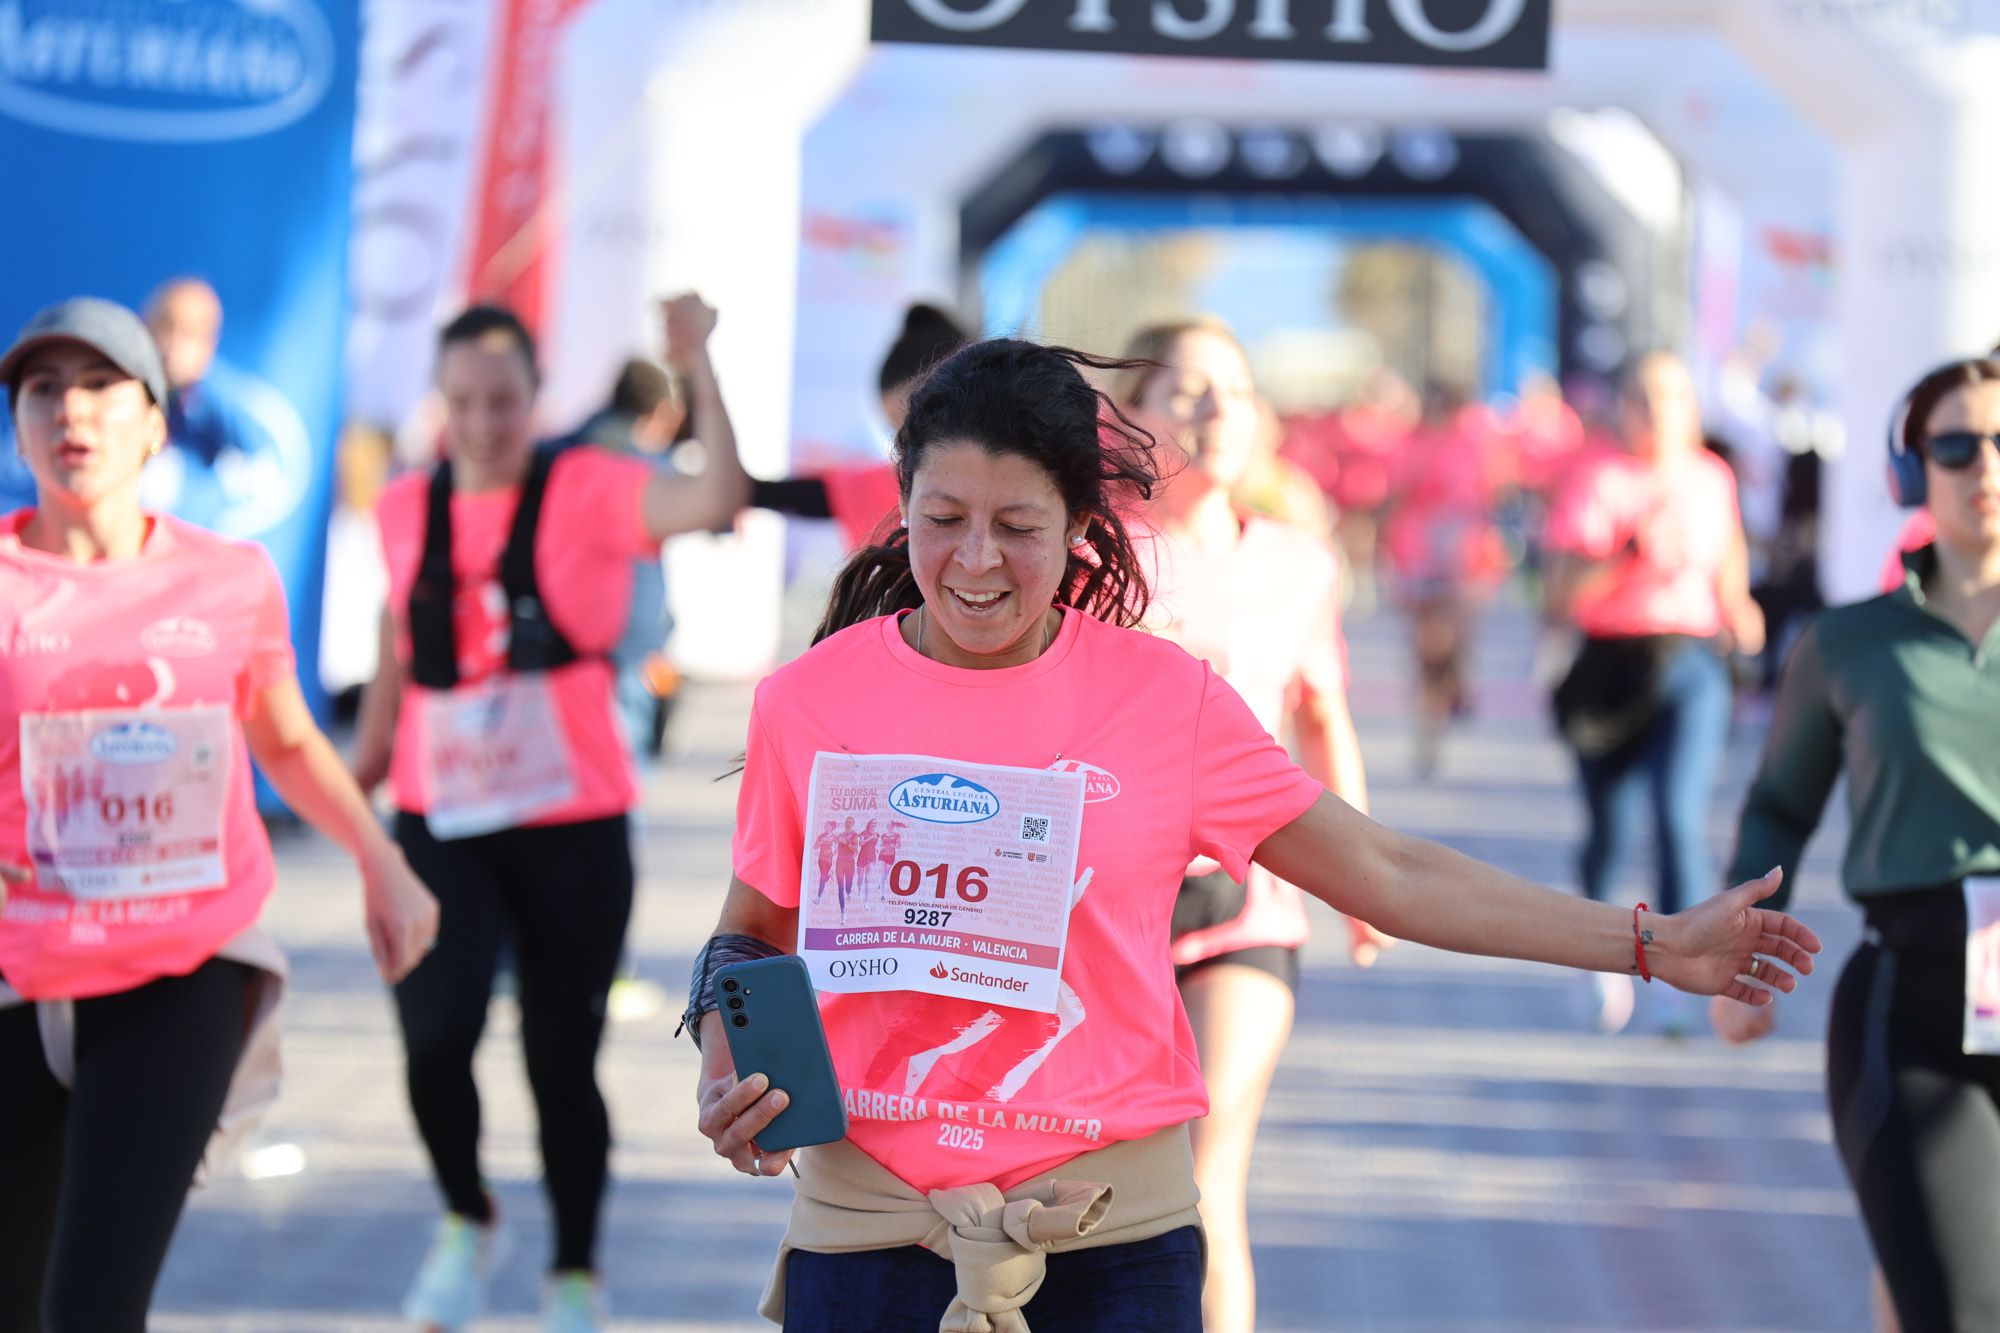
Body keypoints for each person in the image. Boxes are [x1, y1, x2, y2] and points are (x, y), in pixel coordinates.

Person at [686, 338, 1818, 1332]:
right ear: (903, 504)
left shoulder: (1163, 699)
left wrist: (1649, 942)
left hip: (1110, 1246)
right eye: (942, 521)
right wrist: (726, 1062)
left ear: (1080, 525)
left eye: (1018, 527)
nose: (975, 560)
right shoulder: (808, 702)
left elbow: (1384, 869)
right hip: (866, 1240)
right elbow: (750, 933)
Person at [0, 297, 439, 1331]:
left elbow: (283, 737)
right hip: (18, 971)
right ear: (18, 426)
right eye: (43, 389)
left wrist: (380, 858)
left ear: (155, 422)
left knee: (91, 1307)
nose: (71, 410)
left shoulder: (228, 577)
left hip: (179, 969)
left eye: (100, 385)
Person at [349, 296, 747, 1332]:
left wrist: (697, 365)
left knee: (559, 1058)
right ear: (441, 403)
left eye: (505, 400)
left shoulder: (587, 485)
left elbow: (717, 495)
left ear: (536, 397)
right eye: (464, 402)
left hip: (573, 819)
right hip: (441, 817)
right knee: (434, 1038)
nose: (484, 423)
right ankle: (464, 1216)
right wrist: (360, 774)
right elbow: (400, 638)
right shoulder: (407, 503)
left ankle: (574, 1274)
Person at [1715, 356, 2000, 1332]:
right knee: (1953, 1306)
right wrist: (1737, 961)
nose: (1985, 466)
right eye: (1956, 446)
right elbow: (1777, 807)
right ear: (1910, 471)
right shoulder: (1846, 644)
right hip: (1911, 1005)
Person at [1118, 319, 1378, 1333]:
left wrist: (1363, 883)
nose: (1213, 409)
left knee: (1204, 1176)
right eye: (1184, 389)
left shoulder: (1298, 562)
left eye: (1232, 388)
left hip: (1246, 899)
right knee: (1093, 1184)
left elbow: (1322, 715)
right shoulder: (1088, 549)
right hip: (1101, 910)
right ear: (1128, 417)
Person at [1540, 351, 1766, 1036]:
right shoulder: (1598, 478)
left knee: (1677, 816)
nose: (1658, 410)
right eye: (1643, 396)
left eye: (1672, 395)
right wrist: (1628, 553)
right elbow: (1561, 595)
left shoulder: (1712, 477)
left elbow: (1729, 558)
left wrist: (1741, 609)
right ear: (1622, 407)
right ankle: (1601, 957)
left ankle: (1678, 975)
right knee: (1610, 829)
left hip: (1691, 661)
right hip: (1612, 665)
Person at [555, 357, 692, 759]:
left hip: (565, 642)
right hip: (628, 645)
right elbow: (712, 504)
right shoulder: (644, 466)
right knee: (622, 767)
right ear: (661, 412)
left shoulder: (564, 451)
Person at [1382, 382, 1514, 777]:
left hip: (1466, 553)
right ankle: (1429, 723)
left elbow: (1499, 492)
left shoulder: (1477, 444)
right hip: (1419, 551)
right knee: (1428, 647)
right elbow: (1395, 496)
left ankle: (1456, 684)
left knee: (1458, 635)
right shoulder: (1410, 445)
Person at [140, 277, 293, 538]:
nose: (172, 344)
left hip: (187, 543)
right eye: (165, 326)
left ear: (209, 342)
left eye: (189, 333)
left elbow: (262, 458)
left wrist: (202, 375)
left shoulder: (212, 400)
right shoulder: (128, 391)